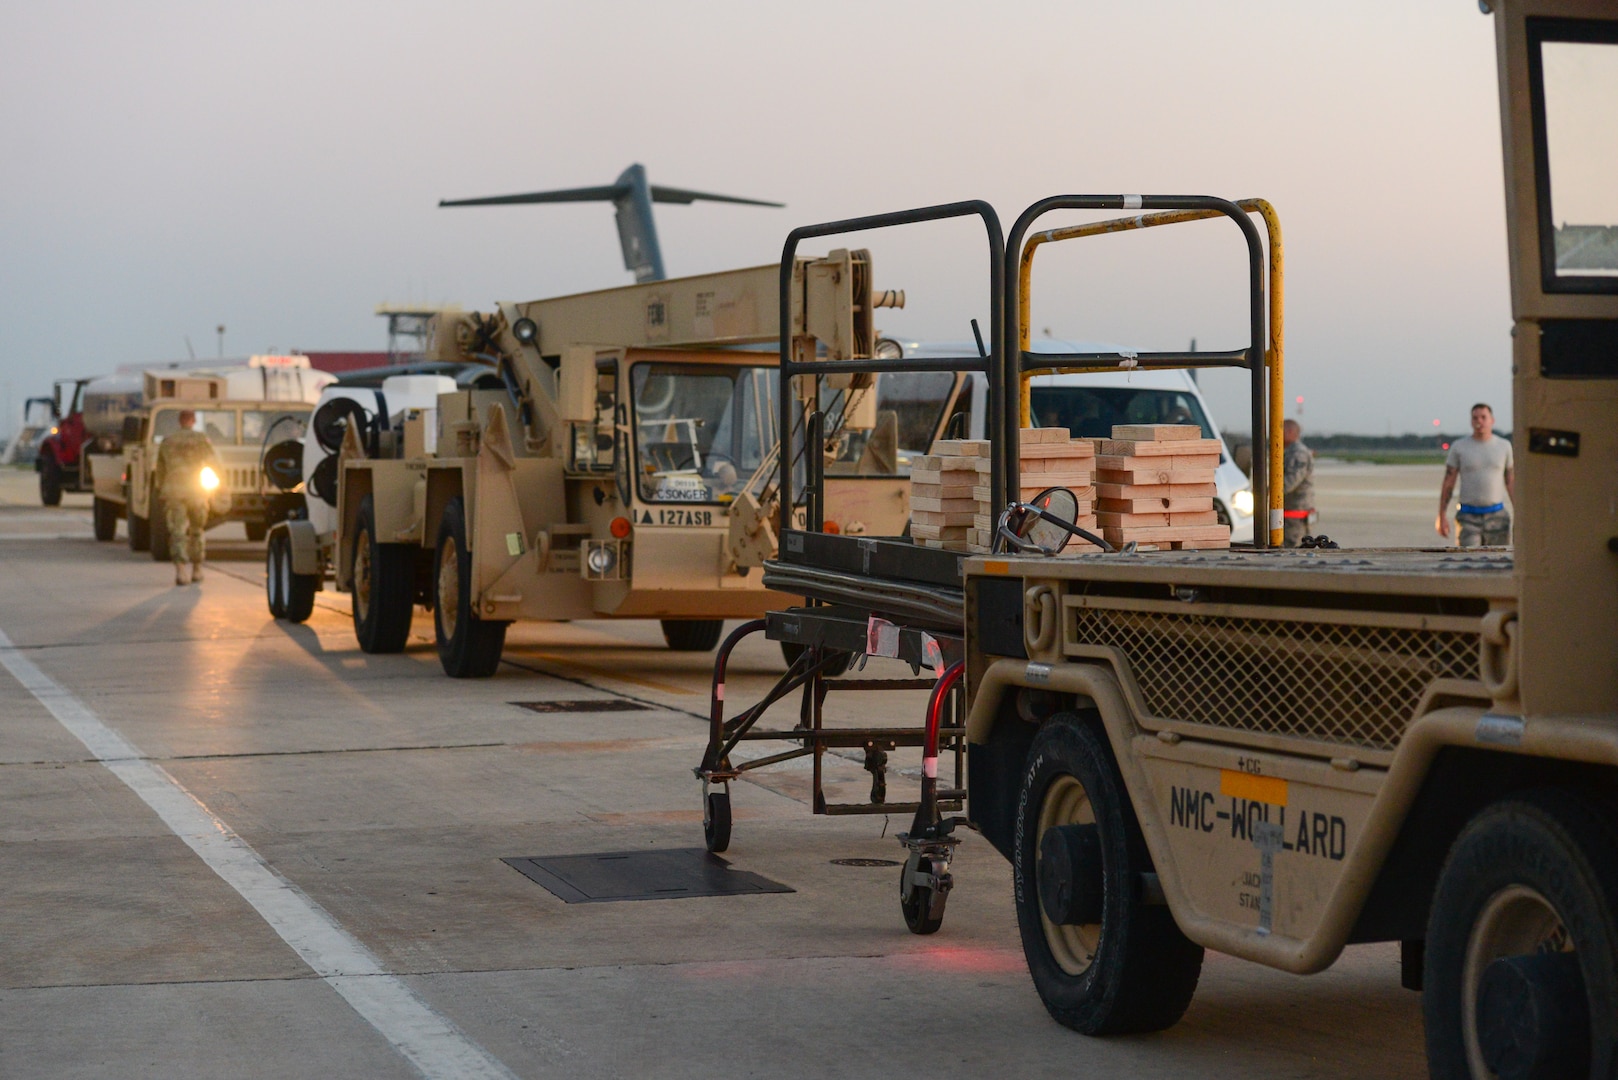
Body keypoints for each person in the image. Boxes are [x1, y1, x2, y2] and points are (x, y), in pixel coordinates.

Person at [152, 410, 221, 585]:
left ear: (180, 421)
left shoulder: (167, 441)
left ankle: (181, 570)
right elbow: (214, 464)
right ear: (193, 420)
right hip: (196, 491)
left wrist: (162, 490)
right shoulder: (201, 440)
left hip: (174, 492)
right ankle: (197, 569)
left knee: (177, 531)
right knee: (197, 530)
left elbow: (160, 471)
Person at [1437, 402, 1514, 547]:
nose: (1479, 421)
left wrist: (1520, 512)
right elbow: (1448, 482)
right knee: (1468, 562)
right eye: (1475, 418)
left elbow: (1510, 481)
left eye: (1483, 417)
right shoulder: (1459, 447)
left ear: (1492, 420)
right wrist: (1441, 515)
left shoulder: (1504, 446)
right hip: (1468, 517)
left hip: (1497, 517)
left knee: (1498, 562)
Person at [1281, 419, 1315, 548]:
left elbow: (1291, 481)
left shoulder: (1297, 453)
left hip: (1295, 513)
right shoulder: (1290, 451)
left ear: (1290, 432)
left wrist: (1269, 492)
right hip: (1291, 511)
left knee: (1291, 547)